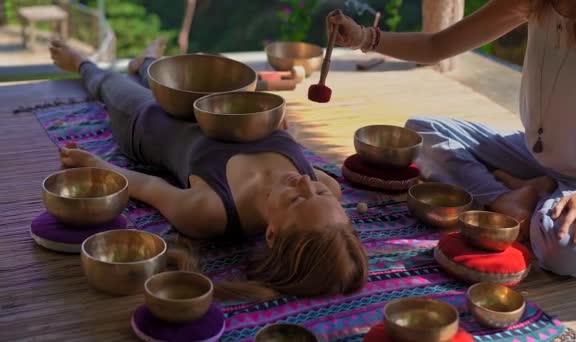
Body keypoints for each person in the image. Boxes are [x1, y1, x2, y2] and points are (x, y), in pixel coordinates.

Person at [49, 39, 368, 300]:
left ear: (272, 234)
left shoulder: (211, 212)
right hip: (222, 106)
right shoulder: (327, 188)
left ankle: (80, 62)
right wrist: (287, 136)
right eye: (320, 191)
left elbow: (147, 186)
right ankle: (145, 62)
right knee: (162, 73)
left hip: (150, 122)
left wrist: (97, 165)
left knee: (109, 83)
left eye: (296, 200)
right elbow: (300, 162)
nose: (304, 181)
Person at [328, 0, 576, 278]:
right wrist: (363, 37)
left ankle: (538, 196)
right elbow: (437, 46)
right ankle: (509, 199)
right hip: (533, 153)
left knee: (565, 249)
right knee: (422, 133)